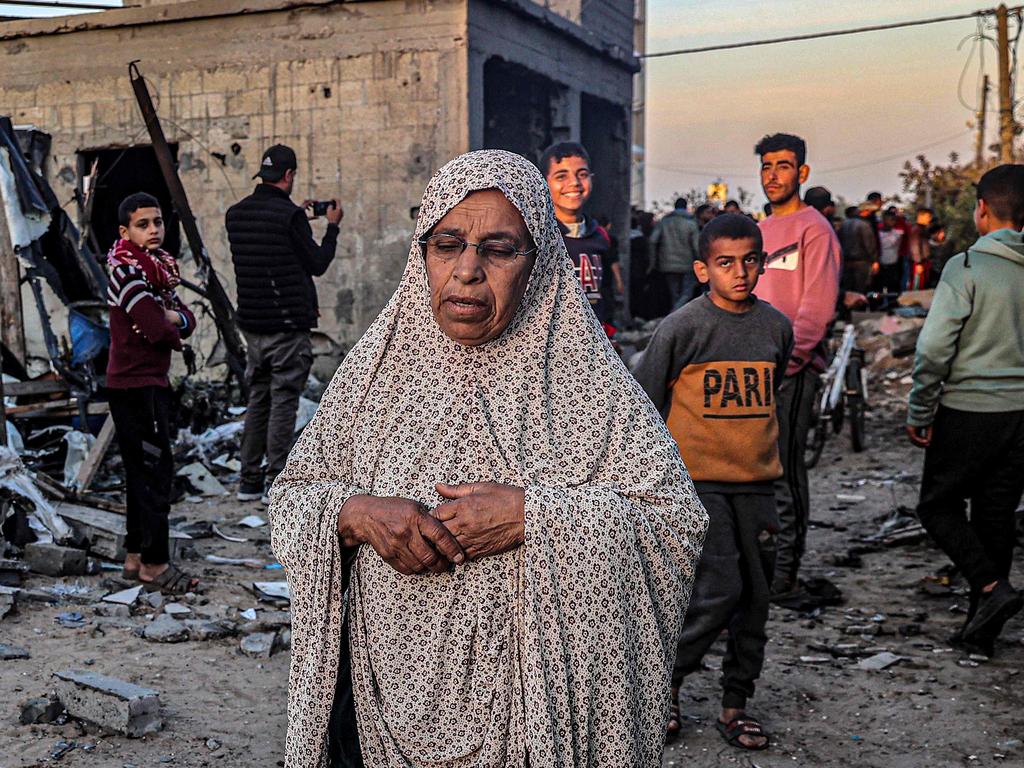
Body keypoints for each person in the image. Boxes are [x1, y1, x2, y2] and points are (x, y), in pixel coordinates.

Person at [268, 150, 708, 768]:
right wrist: (353, 513)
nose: (468, 270)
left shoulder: (587, 382)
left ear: (539, 264)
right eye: (448, 244)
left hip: (534, 727)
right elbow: (292, 497)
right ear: (423, 253)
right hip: (377, 718)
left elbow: (674, 523)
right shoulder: (377, 371)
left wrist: (538, 517)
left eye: (499, 249)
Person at [633, 213, 792, 752]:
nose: (740, 273)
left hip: (758, 486)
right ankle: (665, 689)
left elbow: (776, 406)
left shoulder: (774, 326)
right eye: (726, 263)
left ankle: (735, 705)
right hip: (699, 486)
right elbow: (645, 402)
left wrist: (785, 477)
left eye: (750, 260)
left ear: (763, 262)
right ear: (703, 269)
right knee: (717, 590)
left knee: (756, 599)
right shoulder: (683, 327)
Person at [907, 164, 1024, 657]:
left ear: (981, 209)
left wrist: (920, 409)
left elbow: (934, 350)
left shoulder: (966, 268)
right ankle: (983, 633)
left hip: (967, 410)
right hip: (1020, 417)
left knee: (937, 506)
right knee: (995, 515)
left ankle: (993, 590)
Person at [226, 144, 344, 504]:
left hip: (252, 326)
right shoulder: (288, 218)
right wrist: (332, 228)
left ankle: (248, 482)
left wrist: (296, 218)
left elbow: (271, 249)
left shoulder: (236, 214)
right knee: (283, 401)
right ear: (289, 176)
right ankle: (276, 481)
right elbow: (317, 262)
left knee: (258, 399)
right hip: (287, 327)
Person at [753, 133, 841, 595]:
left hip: (792, 372)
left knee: (786, 470)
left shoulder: (814, 229)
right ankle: (764, 565)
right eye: (767, 166)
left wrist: (791, 361)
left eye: (783, 166)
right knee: (757, 472)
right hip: (752, 373)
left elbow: (817, 307)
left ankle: (787, 570)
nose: (773, 175)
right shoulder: (759, 232)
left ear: (801, 173)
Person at [106, 192, 198, 594]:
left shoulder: (157, 271)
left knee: (140, 474)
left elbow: (183, 318)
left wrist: (172, 320)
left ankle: (133, 558)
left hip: (144, 382)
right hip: (136, 385)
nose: (154, 230)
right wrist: (172, 326)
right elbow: (157, 327)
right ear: (126, 231)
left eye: (157, 222)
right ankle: (155, 564)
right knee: (155, 474)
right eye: (143, 224)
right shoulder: (126, 271)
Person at [539, 142, 621, 327]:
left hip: (593, 338)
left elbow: (605, 291)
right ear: (544, 182)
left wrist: (608, 330)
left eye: (582, 175)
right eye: (561, 176)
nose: (574, 183)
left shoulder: (600, 236)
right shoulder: (537, 236)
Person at [648, 197, 700, 308]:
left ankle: (674, 318)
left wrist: (653, 262)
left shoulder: (664, 221)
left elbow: (653, 240)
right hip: (687, 264)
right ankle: (675, 314)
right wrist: (700, 260)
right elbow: (696, 246)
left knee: (674, 294)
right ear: (686, 207)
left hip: (667, 263)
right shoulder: (691, 223)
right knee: (687, 293)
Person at [838, 205, 878, 293]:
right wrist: (874, 260)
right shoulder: (864, 225)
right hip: (861, 262)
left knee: (848, 289)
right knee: (861, 289)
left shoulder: (843, 225)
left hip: (846, 262)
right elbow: (869, 244)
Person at [876, 207, 907, 293]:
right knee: (879, 288)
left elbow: (888, 244)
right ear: (884, 220)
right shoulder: (876, 233)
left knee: (893, 289)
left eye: (894, 220)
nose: (893, 222)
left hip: (893, 265)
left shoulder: (898, 233)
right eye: (890, 219)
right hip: (880, 265)